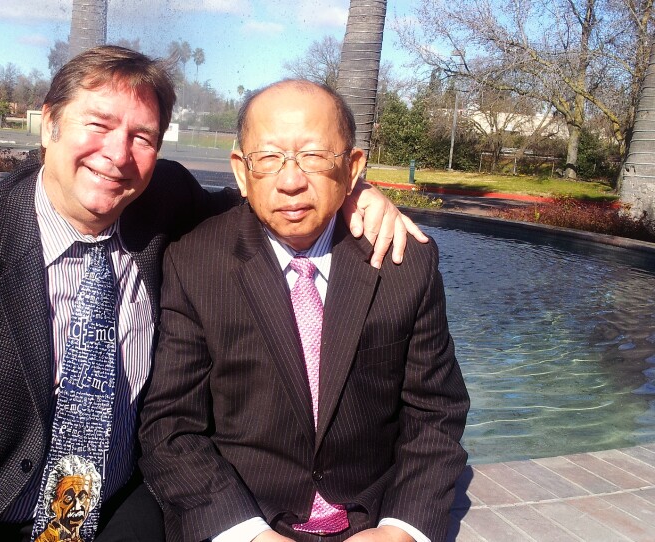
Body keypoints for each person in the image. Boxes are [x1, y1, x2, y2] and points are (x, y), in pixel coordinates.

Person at [0, 47, 422, 542]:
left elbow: (271, 200)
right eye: (99, 124)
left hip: (120, 503)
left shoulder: (166, 205)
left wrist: (352, 197)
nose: (117, 154)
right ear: (49, 122)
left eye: (142, 136)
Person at [139, 79, 470, 542]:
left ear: (352, 166)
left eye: (314, 157)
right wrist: (244, 532)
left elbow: (435, 413)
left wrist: (402, 528)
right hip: (248, 513)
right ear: (241, 170)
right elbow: (171, 426)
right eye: (269, 158)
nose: (291, 181)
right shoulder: (195, 262)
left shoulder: (402, 260)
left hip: (371, 517)